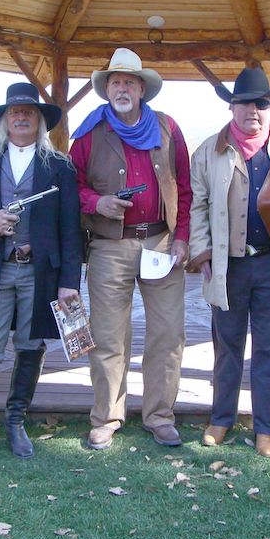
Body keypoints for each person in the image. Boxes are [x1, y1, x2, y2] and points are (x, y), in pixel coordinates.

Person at [188, 67, 270, 457]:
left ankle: (266, 428)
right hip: (226, 267)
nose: (253, 110)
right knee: (226, 348)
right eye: (245, 103)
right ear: (233, 108)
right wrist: (202, 256)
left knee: (268, 349)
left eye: (261, 103)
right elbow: (197, 207)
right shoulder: (207, 152)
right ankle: (221, 419)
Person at [70, 47, 192, 450]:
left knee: (168, 335)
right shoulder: (87, 133)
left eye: (128, 82)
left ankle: (160, 416)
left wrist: (182, 237)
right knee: (107, 337)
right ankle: (106, 417)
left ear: (142, 88)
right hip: (109, 246)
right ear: (106, 90)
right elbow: (74, 187)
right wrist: (97, 203)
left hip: (161, 242)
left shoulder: (168, 128)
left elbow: (186, 189)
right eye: (114, 82)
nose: (121, 88)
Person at [0, 82, 82, 470]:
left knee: (30, 346)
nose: (22, 117)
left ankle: (15, 423)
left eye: (29, 112)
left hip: (40, 273)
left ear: (40, 121)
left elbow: (70, 228)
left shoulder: (59, 166)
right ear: (5, 120)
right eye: (15, 112)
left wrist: (69, 282)